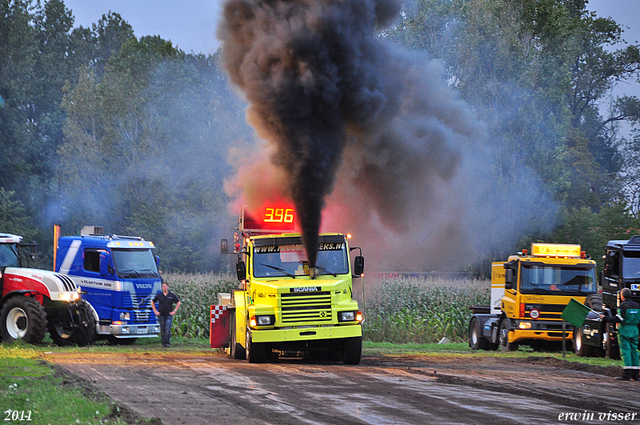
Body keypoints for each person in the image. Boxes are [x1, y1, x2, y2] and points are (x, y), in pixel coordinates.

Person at [600, 287, 640, 381]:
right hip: (634, 330)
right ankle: (635, 374)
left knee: (626, 351)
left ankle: (626, 374)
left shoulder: (623, 306)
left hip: (625, 330)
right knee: (634, 351)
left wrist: (605, 318)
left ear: (622, 296)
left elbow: (618, 319)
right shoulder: (637, 305)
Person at [152, 282, 181, 347]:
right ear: (162, 288)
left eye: (166, 286)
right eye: (163, 286)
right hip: (161, 315)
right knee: (162, 329)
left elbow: (178, 302)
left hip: (168, 315)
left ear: (168, 287)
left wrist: (175, 311)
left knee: (167, 329)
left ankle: (167, 343)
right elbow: (152, 302)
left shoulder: (171, 295)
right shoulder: (159, 295)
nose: (165, 287)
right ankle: (163, 343)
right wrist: (155, 311)